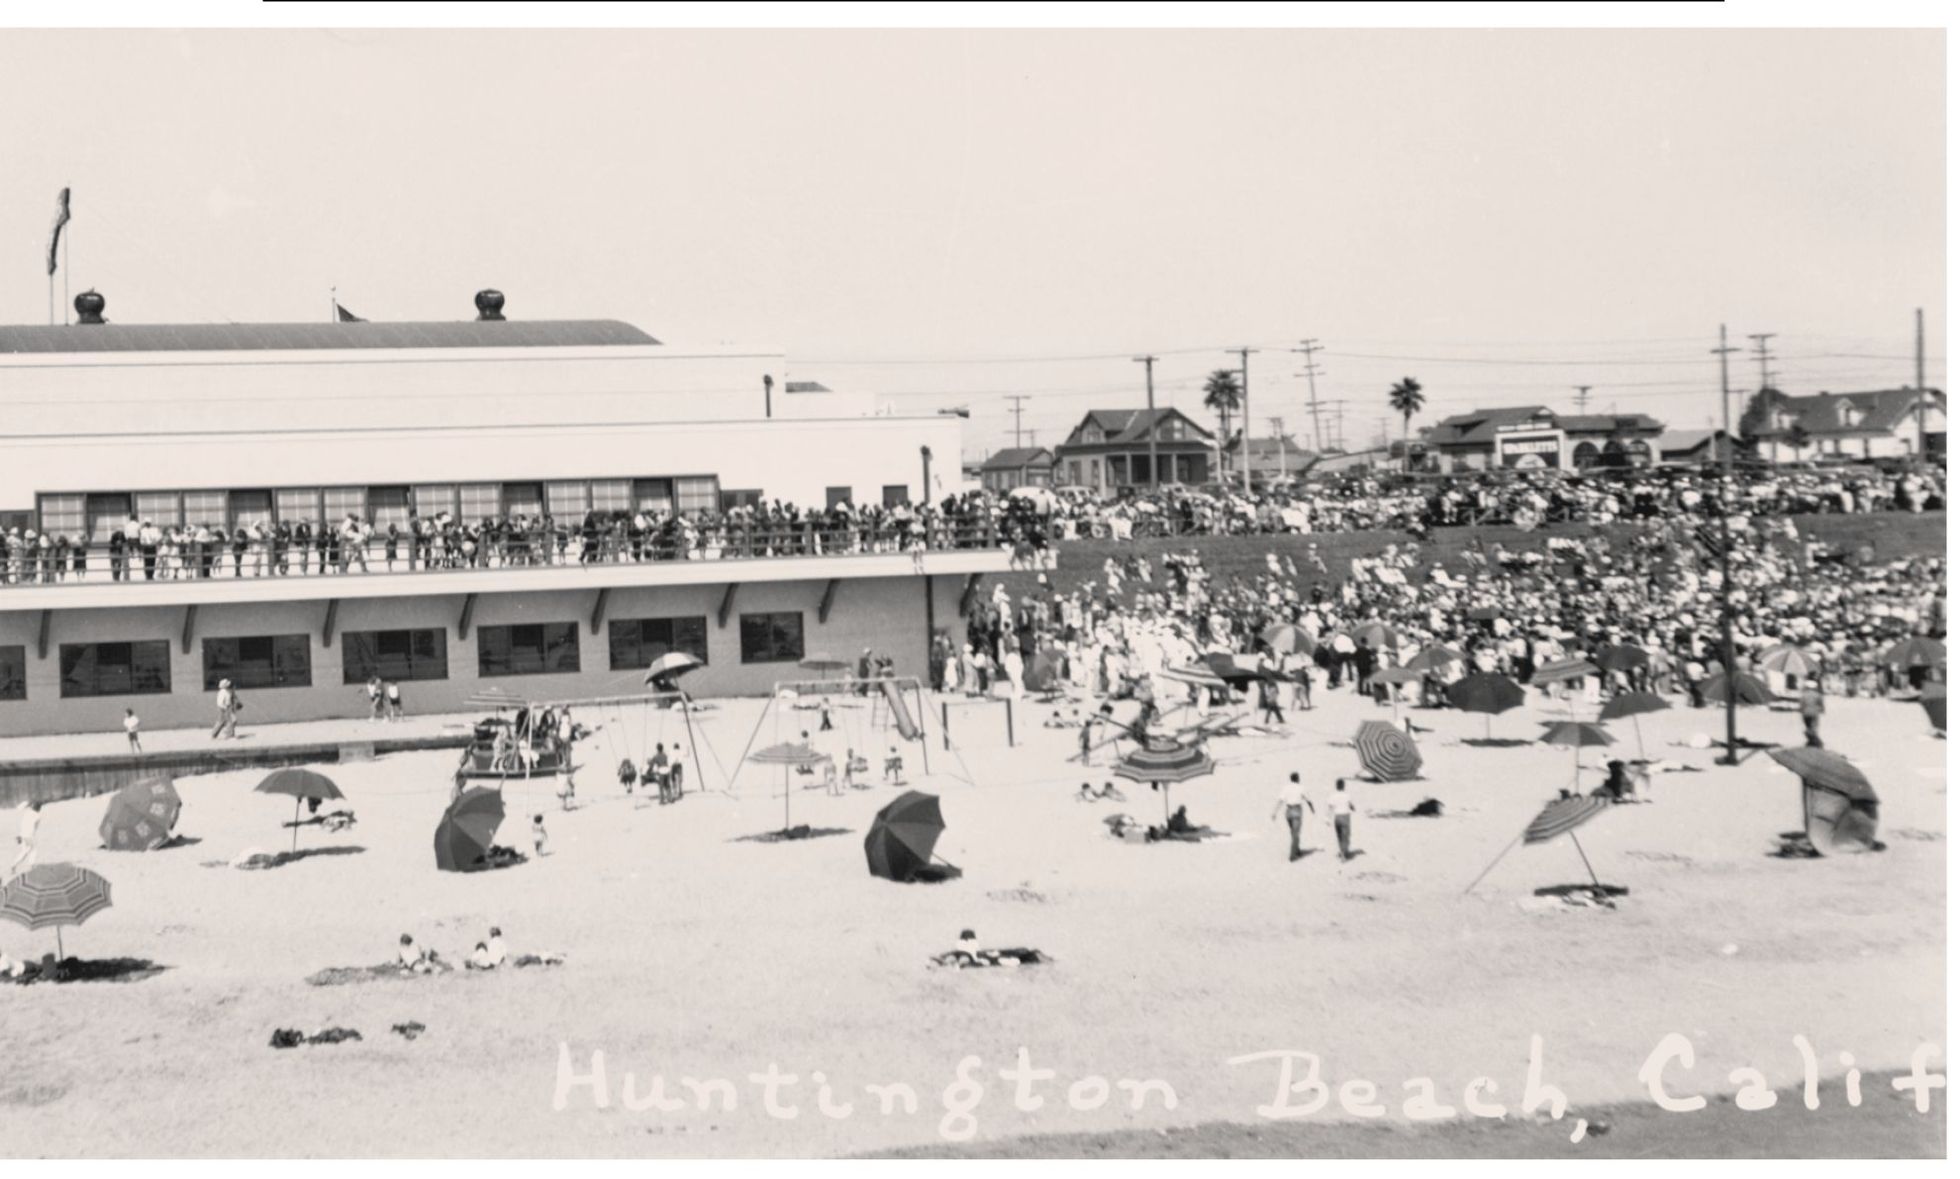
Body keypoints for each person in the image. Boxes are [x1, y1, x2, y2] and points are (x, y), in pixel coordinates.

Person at [1271, 772, 1315, 862]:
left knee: (1293, 832)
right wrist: (1312, 809)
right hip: (1297, 810)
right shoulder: (1301, 788)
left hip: (1288, 811)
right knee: (1296, 833)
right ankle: (1293, 855)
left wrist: (1274, 812)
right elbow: (1308, 800)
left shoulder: (1286, 788)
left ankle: (1297, 849)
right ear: (1298, 779)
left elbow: (1280, 800)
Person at [9, 800, 43, 879]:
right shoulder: (38, 816)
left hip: (22, 834)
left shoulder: (27, 812)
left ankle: (13, 865)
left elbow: (18, 808)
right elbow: (35, 828)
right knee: (34, 850)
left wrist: (27, 802)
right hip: (30, 835)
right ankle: (31, 866)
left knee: (24, 852)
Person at [1328, 778, 1356, 861]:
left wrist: (1327, 818)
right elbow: (1351, 806)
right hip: (1345, 816)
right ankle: (1344, 854)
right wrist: (1353, 808)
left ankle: (1341, 851)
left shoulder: (1333, 796)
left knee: (1339, 835)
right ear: (1343, 786)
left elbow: (1330, 808)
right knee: (1345, 836)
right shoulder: (1347, 795)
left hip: (1337, 817)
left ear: (1336, 786)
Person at [1800, 675, 1826, 749]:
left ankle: (1810, 740)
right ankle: (1815, 741)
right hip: (1814, 713)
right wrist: (1822, 710)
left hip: (1805, 713)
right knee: (1814, 727)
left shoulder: (1803, 695)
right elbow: (1821, 704)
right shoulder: (1817, 695)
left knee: (1808, 726)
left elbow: (1801, 705)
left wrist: (1802, 711)